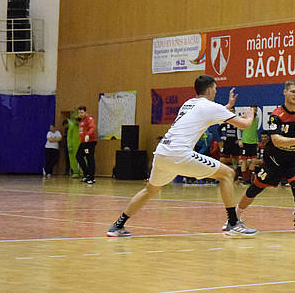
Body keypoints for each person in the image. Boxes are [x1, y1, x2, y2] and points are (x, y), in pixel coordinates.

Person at [106, 75, 258, 237]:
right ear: (209, 90)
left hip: (163, 152)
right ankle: (233, 223)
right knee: (228, 174)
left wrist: (227, 106)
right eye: (215, 89)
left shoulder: (188, 103)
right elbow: (244, 125)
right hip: (179, 154)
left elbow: (210, 113)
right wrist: (250, 116)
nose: (216, 92)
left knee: (150, 190)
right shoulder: (210, 107)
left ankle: (117, 225)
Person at [235, 80, 295, 233]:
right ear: (285, 92)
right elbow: (275, 140)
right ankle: (235, 216)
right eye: (293, 91)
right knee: (255, 188)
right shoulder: (276, 115)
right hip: (274, 161)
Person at [237, 106, 261, 185]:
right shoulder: (244, 118)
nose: (254, 111)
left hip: (253, 142)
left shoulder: (257, 118)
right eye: (252, 110)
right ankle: (245, 179)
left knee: (254, 161)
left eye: (255, 110)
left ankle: (249, 178)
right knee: (244, 161)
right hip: (245, 142)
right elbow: (238, 128)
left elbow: (254, 130)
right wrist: (240, 139)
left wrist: (257, 141)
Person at [75, 105, 97, 184]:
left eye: (82, 112)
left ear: (85, 112)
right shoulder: (81, 121)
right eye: (79, 113)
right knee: (78, 156)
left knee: (89, 158)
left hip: (90, 142)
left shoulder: (89, 119)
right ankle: (87, 174)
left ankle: (91, 178)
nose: (80, 114)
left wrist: (88, 135)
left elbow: (92, 128)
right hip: (84, 143)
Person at [62, 111, 81, 177]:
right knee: (73, 159)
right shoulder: (72, 126)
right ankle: (75, 171)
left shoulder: (82, 125)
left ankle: (84, 171)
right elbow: (69, 137)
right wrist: (69, 145)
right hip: (73, 146)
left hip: (82, 144)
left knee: (84, 158)